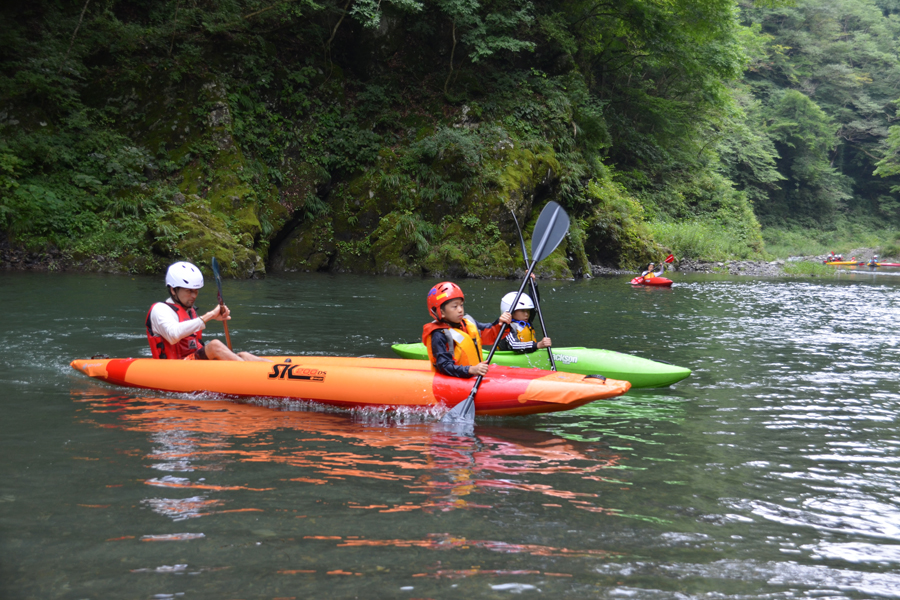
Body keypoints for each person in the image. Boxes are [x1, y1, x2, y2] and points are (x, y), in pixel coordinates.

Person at [146, 261, 267, 361]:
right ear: (173, 290)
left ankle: (278, 369)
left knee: (243, 355)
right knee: (214, 345)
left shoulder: (190, 311)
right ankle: (253, 374)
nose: (194, 295)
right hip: (173, 369)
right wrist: (210, 315)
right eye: (189, 291)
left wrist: (216, 317)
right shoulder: (160, 309)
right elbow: (173, 335)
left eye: (196, 291)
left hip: (193, 365)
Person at [421, 281, 511, 378]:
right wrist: (471, 370)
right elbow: (444, 366)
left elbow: (490, 334)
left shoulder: (468, 323)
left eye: (461, 305)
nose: (460, 310)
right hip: (454, 381)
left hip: (474, 376)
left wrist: (501, 324)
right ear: (441, 312)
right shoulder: (439, 335)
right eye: (455, 306)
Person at [483, 292, 551, 353]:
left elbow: (535, 304)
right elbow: (514, 345)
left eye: (528, 310)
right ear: (511, 311)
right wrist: (537, 345)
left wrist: (532, 284)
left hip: (528, 354)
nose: (526, 314)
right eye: (522, 310)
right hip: (509, 360)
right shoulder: (505, 327)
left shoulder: (526, 322)